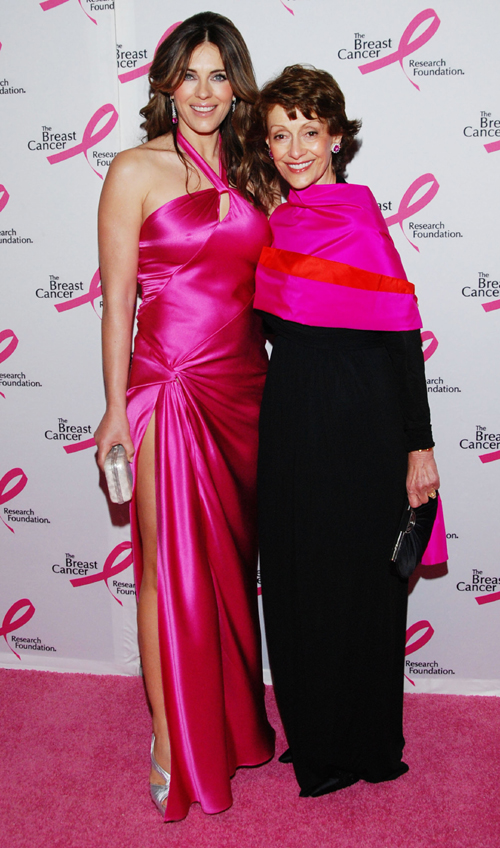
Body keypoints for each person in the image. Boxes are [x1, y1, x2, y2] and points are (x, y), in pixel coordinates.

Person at [241, 64, 445, 798]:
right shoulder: (276, 224)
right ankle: (317, 737)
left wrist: (418, 446)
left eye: (308, 129)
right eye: (279, 132)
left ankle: (364, 744)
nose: (295, 146)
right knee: (298, 577)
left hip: (364, 425)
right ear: (266, 143)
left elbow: (400, 337)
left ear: (334, 136)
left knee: (359, 583)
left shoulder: (356, 217)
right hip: (293, 417)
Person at [94, 12, 274, 822]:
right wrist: (112, 413)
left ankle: (231, 722)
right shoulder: (134, 170)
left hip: (244, 392)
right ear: (167, 83)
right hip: (165, 388)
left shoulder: (258, 172)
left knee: (230, 571)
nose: (204, 92)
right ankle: (169, 733)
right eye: (189, 75)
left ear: (235, 85)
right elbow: (117, 304)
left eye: (218, 75)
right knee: (165, 568)